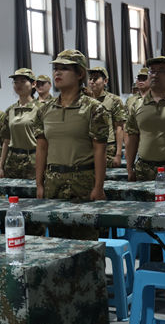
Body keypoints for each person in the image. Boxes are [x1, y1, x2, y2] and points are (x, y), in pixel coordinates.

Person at [33, 49, 109, 241]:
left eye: (64, 68)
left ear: (80, 74)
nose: (57, 73)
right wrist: (39, 184)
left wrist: (98, 187)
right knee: (58, 243)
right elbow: (41, 148)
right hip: (53, 184)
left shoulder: (94, 108)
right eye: (56, 68)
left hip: (83, 183)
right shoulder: (45, 110)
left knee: (85, 243)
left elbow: (100, 150)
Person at [0, 68, 39, 180]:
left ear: (33, 84)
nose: (18, 85)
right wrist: (1, 166)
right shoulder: (10, 110)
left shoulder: (41, 109)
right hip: (12, 162)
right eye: (15, 82)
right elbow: (6, 140)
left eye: (23, 81)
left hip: (34, 160)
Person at [88, 67, 127, 168]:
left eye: (95, 78)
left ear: (105, 81)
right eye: (90, 78)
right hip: (87, 147)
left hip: (107, 147)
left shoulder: (114, 100)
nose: (92, 81)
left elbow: (119, 128)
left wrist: (118, 154)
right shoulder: (84, 100)